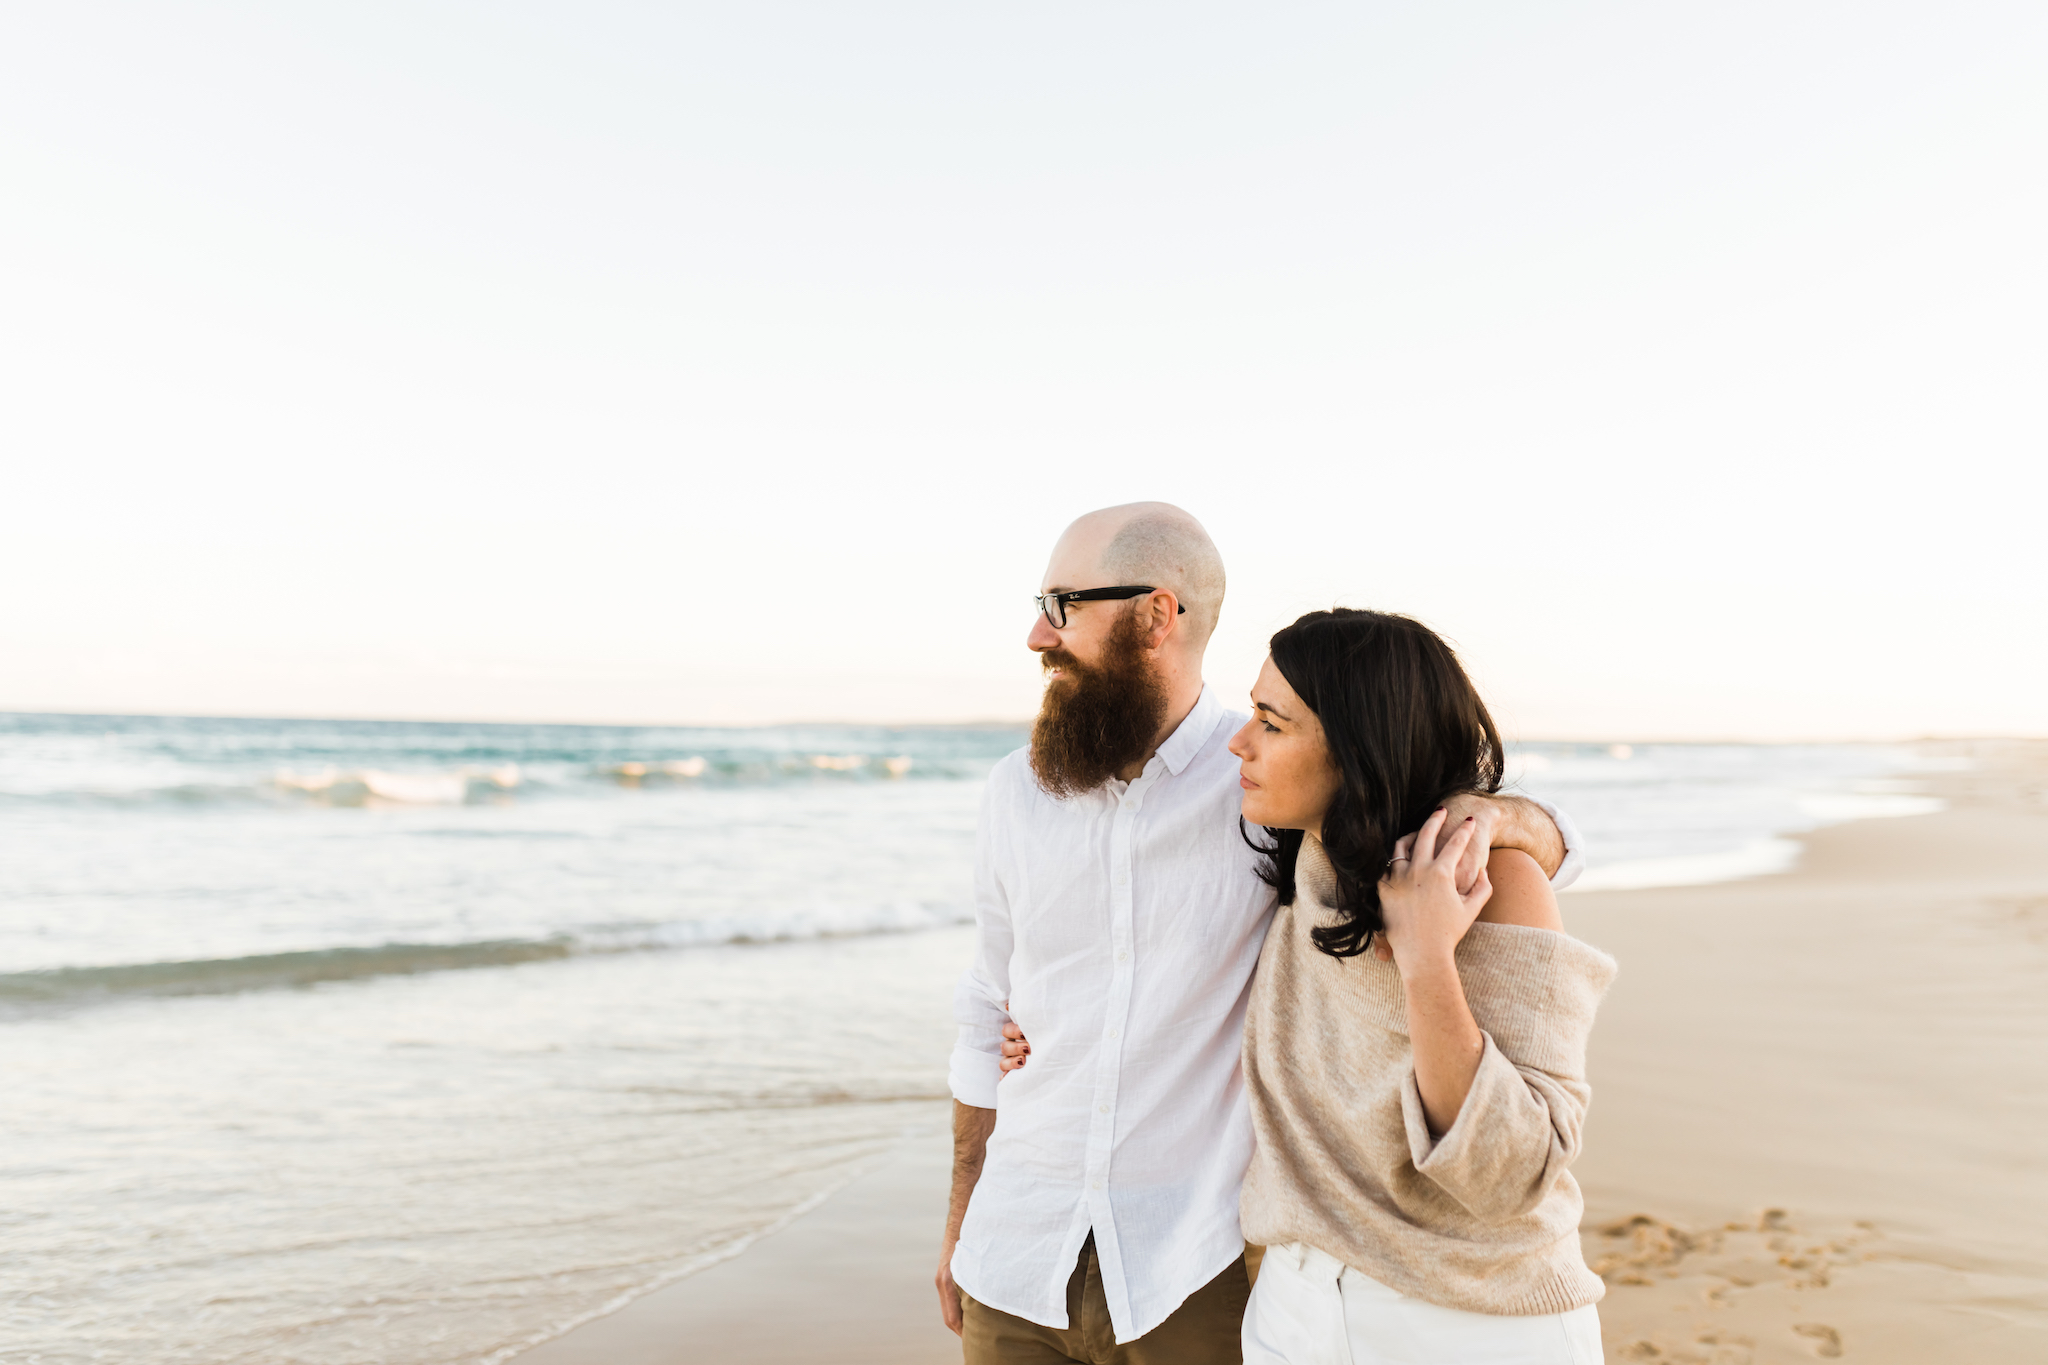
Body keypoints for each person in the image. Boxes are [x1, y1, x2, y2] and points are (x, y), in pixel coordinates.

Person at [939, 504, 1583, 1365]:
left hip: (1187, 1265)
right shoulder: (1014, 793)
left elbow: (1448, 812)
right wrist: (961, 1216)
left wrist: (1510, 823)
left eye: (1062, 606)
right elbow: (988, 1002)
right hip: (1015, 1252)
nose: (1035, 635)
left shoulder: (1263, 786)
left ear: (1157, 614)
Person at [1229, 608, 1616, 1364]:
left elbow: (1511, 1174)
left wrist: (1426, 956)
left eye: (1271, 724)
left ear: (1357, 750)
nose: (1239, 742)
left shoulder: (1495, 883)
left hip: (1470, 1323)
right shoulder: (1304, 853)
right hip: (1293, 1306)